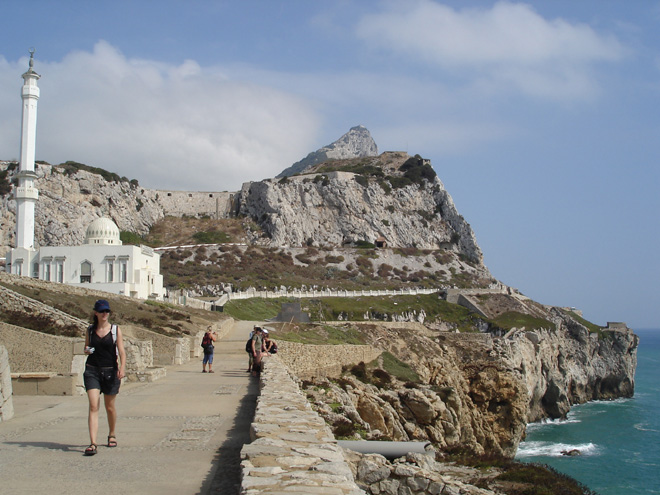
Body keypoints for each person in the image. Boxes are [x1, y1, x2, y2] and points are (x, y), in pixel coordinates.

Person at [83, 299, 126, 456]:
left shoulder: (115, 330)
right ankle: (93, 443)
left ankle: (112, 433)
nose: (105, 314)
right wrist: (88, 350)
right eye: (102, 311)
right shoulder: (90, 330)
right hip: (92, 370)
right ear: (96, 313)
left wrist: (122, 367)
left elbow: (121, 351)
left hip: (110, 371)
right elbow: (86, 348)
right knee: (94, 405)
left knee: (110, 407)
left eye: (107, 311)